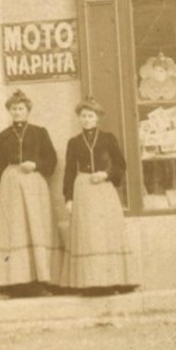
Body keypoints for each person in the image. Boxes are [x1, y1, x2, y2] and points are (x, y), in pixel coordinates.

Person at [60, 98, 137, 295]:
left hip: (104, 189)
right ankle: (90, 282)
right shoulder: (74, 142)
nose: (86, 120)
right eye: (83, 116)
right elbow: (69, 172)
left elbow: (121, 164)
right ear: (79, 118)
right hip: (83, 190)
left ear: (97, 118)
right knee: (88, 236)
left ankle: (112, 280)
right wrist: (68, 198)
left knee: (106, 234)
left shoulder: (108, 138)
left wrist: (106, 174)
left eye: (90, 116)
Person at [0, 89, 59, 297]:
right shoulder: (3, 136)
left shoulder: (40, 132)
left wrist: (36, 164)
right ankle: (16, 282)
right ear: (9, 111)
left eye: (21, 108)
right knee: (15, 231)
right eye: (14, 109)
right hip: (10, 184)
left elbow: (52, 160)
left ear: (28, 111)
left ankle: (41, 280)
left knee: (37, 228)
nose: (17, 112)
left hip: (34, 184)